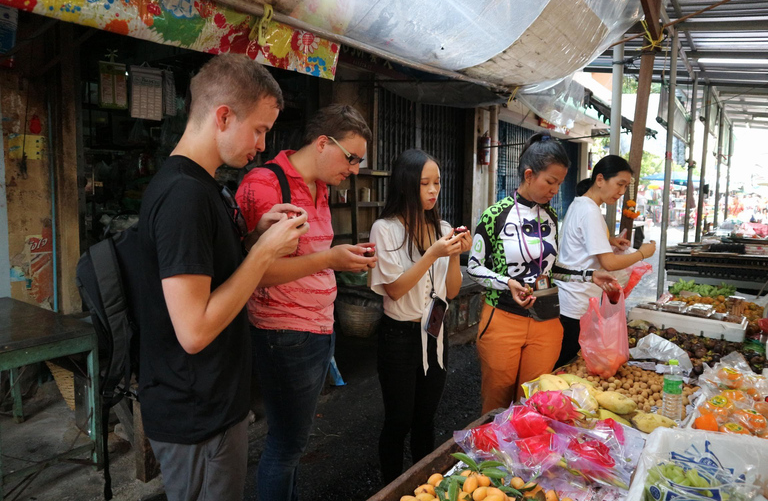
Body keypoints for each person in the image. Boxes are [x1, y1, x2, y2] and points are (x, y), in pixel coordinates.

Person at [137, 54, 308, 501]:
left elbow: (212, 276)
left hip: (212, 406)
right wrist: (263, 256)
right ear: (223, 116)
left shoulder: (204, 185)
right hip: (197, 417)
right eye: (259, 129)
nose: (263, 145)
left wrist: (253, 239)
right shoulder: (183, 196)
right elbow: (193, 331)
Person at [235, 104, 376, 501]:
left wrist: (343, 256)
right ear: (321, 143)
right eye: (352, 158)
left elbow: (310, 256)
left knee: (293, 442)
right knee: (285, 445)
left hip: (317, 329)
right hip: (283, 333)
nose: (355, 169)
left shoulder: (321, 188)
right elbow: (258, 271)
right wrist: (331, 258)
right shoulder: (264, 184)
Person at [467, 132, 613, 413]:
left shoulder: (550, 217)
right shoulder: (495, 216)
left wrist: (588, 275)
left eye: (559, 183)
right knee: (496, 402)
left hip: (546, 321)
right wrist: (507, 282)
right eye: (551, 181)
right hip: (502, 319)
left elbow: (550, 268)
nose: (555, 190)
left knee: (534, 402)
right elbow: (474, 266)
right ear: (529, 174)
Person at [370, 149, 471, 483]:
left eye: (437, 183)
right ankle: (391, 488)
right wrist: (433, 253)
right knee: (399, 421)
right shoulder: (384, 229)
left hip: (435, 332)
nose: (433, 190)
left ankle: (425, 487)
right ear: (405, 185)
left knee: (425, 419)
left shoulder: (441, 227)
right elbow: (396, 289)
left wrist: (454, 253)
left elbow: (452, 291)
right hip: (399, 336)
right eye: (424, 183)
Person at [554, 154, 657, 368]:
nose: (621, 192)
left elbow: (581, 239)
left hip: (572, 297)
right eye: (619, 184)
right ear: (600, 179)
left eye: (625, 186)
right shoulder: (590, 211)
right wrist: (642, 254)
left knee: (565, 363)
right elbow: (609, 263)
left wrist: (608, 240)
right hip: (577, 301)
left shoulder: (580, 204)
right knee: (565, 365)